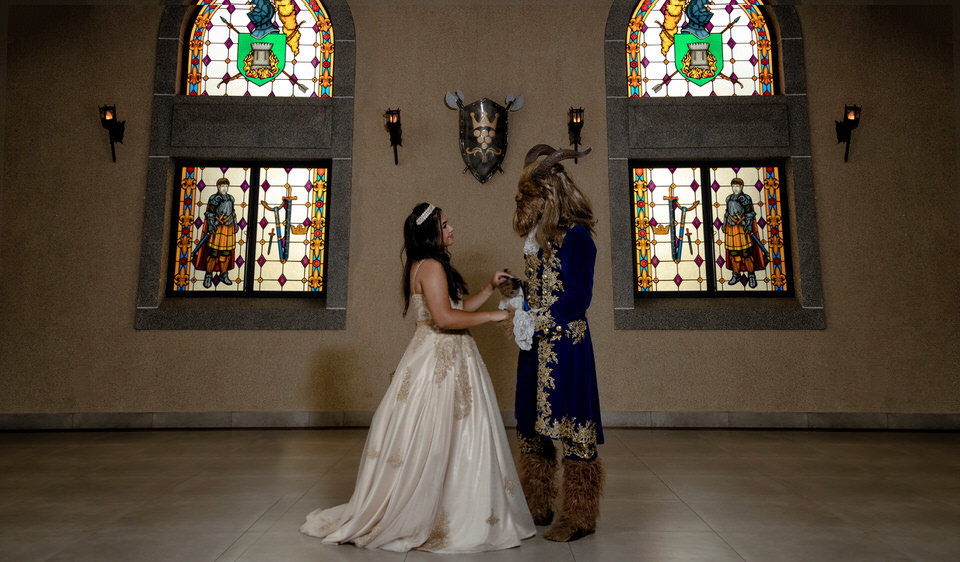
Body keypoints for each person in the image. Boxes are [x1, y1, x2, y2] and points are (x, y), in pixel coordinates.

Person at [300, 202, 535, 553]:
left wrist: (489, 287)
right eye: (445, 224)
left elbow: (456, 309)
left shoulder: (422, 265)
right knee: (440, 433)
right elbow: (445, 319)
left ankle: (447, 501)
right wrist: (494, 317)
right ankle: (442, 512)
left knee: (446, 434)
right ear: (430, 232)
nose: (451, 228)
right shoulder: (432, 267)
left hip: (438, 353)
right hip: (442, 357)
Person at [508, 144, 604, 542]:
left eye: (527, 195)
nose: (520, 202)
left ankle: (580, 517)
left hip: (566, 349)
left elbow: (579, 296)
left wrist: (539, 320)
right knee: (532, 429)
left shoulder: (578, 237)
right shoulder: (536, 237)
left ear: (548, 193)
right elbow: (542, 287)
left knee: (575, 431)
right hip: (534, 348)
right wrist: (517, 291)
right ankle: (537, 504)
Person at [192, 178, 238, 288]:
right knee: (213, 253)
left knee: (226, 253)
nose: (224, 188)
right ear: (218, 187)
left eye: (226, 186)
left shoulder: (231, 198)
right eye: (222, 186)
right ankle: (208, 275)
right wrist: (211, 225)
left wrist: (235, 225)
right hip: (218, 229)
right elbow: (210, 213)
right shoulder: (215, 198)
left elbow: (233, 212)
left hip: (229, 228)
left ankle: (223, 274)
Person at [723, 178, 767, 288]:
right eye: (733, 186)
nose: (735, 188)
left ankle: (751, 275)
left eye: (737, 186)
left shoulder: (745, 198)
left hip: (742, 229)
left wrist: (749, 225)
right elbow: (727, 213)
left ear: (742, 186)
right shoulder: (729, 198)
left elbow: (749, 213)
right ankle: (736, 274)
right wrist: (724, 225)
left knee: (746, 254)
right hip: (731, 228)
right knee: (733, 254)